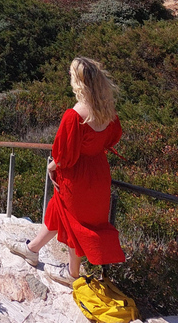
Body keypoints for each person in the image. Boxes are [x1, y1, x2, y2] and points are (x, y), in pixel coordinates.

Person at [9, 57, 126, 287]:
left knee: (75, 221)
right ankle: (32, 249)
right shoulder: (107, 111)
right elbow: (113, 138)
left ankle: (72, 274)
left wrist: (51, 166)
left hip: (77, 175)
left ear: (78, 82)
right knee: (59, 209)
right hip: (99, 173)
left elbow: (63, 156)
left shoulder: (75, 115)